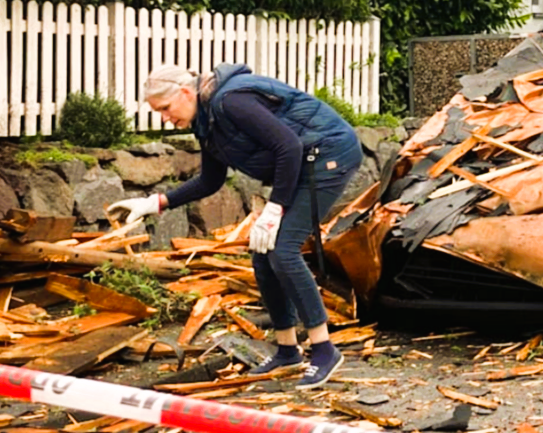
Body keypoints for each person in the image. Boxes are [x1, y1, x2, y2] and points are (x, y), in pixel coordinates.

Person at [108, 63, 363, 388]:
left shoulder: (231, 101)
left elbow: (289, 147)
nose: (164, 117)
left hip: (328, 155)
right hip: (302, 161)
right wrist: (155, 203)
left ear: (185, 93)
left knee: (283, 250)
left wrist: (273, 210)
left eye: (165, 108)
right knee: (262, 253)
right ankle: (288, 350)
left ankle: (325, 350)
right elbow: (211, 180)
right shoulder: (207, 121)